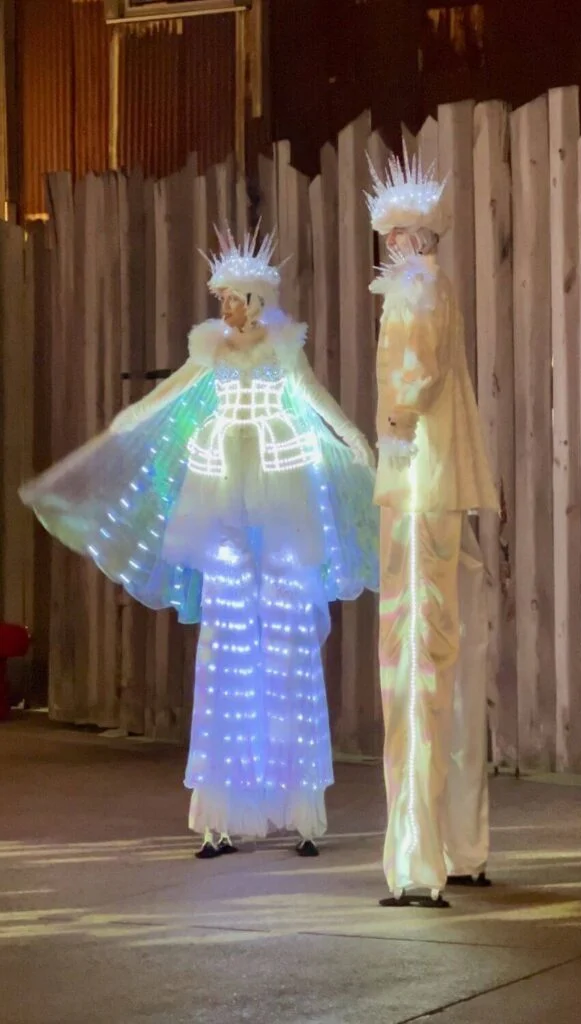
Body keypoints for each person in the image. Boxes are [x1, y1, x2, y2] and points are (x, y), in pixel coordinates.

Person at [20, 227, 378, 860]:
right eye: (221, 300)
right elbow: (175, 389)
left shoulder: (283, 350)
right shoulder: (210, 349)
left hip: (281, 495)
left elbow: (312, 395)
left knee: (289, 641)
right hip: (222, 502)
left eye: (231, 299)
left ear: (253, 298)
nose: (224, 309)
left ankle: (300, 810)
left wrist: (353, 438)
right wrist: (123, 423)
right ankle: (221, 811)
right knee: (226, 645)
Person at [366, 146, 499, 907]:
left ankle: (417, 862)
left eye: (396, 234)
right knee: (451, 660)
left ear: (412, 240)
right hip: (442, 485)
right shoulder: (433, 288)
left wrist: (392, 427)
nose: (390, 247)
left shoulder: (414, 292)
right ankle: (461, 842)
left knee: (412, 666)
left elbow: (410, 381)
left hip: (418, 486)